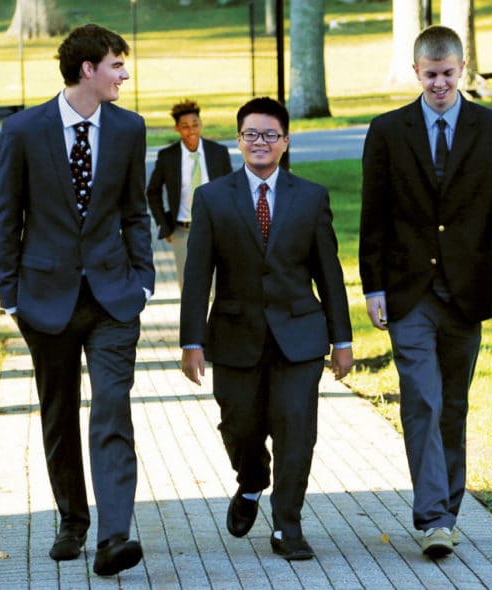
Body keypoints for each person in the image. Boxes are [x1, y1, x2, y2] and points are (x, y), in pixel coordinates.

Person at [359, 25, 492, 558]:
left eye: (448, 74)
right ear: (416, 72)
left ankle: (447, 513)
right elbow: (374, 217)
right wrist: (374, 287)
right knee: (422, 400)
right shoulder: (387, 131)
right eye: (430, 75)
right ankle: (433, 517)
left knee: (453, 404)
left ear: (461, 71)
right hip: (409, 293)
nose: (439, 84)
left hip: (469, 289)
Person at [0, 24, 155, 576]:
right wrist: (10, 296)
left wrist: (145, 281)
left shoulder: (130, 129)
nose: (124, 75)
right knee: (59, 413)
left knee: (112, 407)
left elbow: (136, 211)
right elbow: (6, 217)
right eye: (116, 65)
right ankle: (72, 520)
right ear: (88, 69)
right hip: (45, 299)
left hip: (113, 299)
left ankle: (114, 537)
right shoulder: (22, 131)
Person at [180, 97, 353, 561]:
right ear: (238, 141)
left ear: (285, 141)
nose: (260, 142)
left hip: (299, 336)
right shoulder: (212, 198)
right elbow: (198, 275)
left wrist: (343, 340)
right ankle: (252, 479)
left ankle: (287, 525)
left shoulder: (311, 197)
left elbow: (328, 273)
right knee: (239, 426)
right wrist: (191, 342)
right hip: (236, 337)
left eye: (270, 135)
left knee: (297, 429)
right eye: (251, 134)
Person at [146, 99, 232, 290]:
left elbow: (232, 190)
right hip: (183, 231)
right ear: (177, 128)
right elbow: (153, 192)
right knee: (189, 288)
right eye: (185, 126)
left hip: (216, 229)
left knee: (220, 288)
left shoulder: (218, 152)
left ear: (201, 124)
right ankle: (193, 321)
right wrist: (163, 224)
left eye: (195, 124)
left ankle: (215, 321)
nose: (191, 130)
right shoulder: (168, 157)